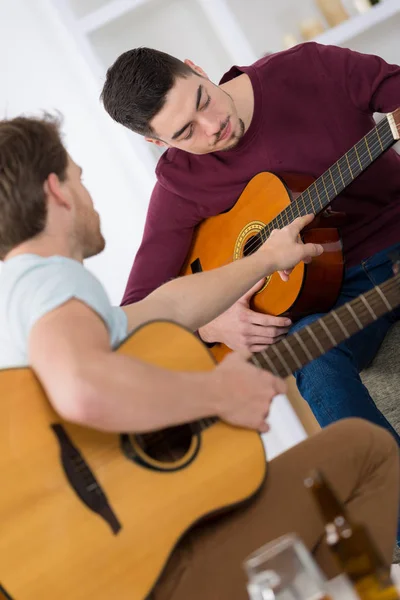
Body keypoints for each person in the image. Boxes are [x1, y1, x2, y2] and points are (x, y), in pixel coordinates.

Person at [0, 114, 398, 600]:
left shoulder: (21, 297)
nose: (89, 197)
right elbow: (81, 389)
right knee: (364, 450)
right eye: (79, 179)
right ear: (56, 191)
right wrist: (217, 390)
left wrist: (267, 258)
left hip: (119, 564)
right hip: (151, 563)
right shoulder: (49, 278)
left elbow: (164, 307)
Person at [101, 42, 400, 444]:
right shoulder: (180, 183)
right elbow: (138, 312)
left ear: (196, 67)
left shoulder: (308, 68)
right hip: (336, 295)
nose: (211, 126)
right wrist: (210, 326)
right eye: (185, 132)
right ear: (159, 143)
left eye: (202, 101)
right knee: (310, 355)